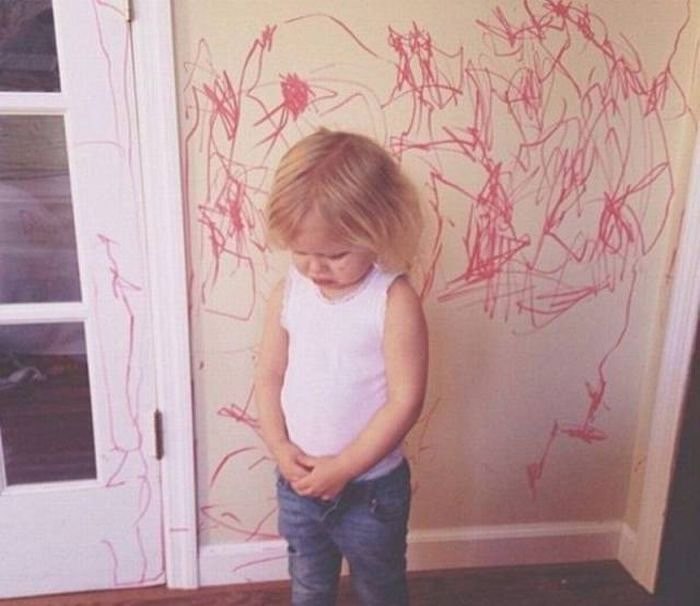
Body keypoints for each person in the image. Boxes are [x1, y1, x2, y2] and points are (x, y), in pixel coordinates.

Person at [255, 128, 429, 606]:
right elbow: (269, 377)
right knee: (310, 587)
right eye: (301, 252)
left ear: (378, 232)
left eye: (335, 255)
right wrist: (279, 447)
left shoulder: (392, 299)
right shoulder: (289, 293)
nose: (316, 268)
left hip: (370, 492)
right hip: (299, 484)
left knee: (380, 589)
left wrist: (344, 468)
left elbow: (405, 400)